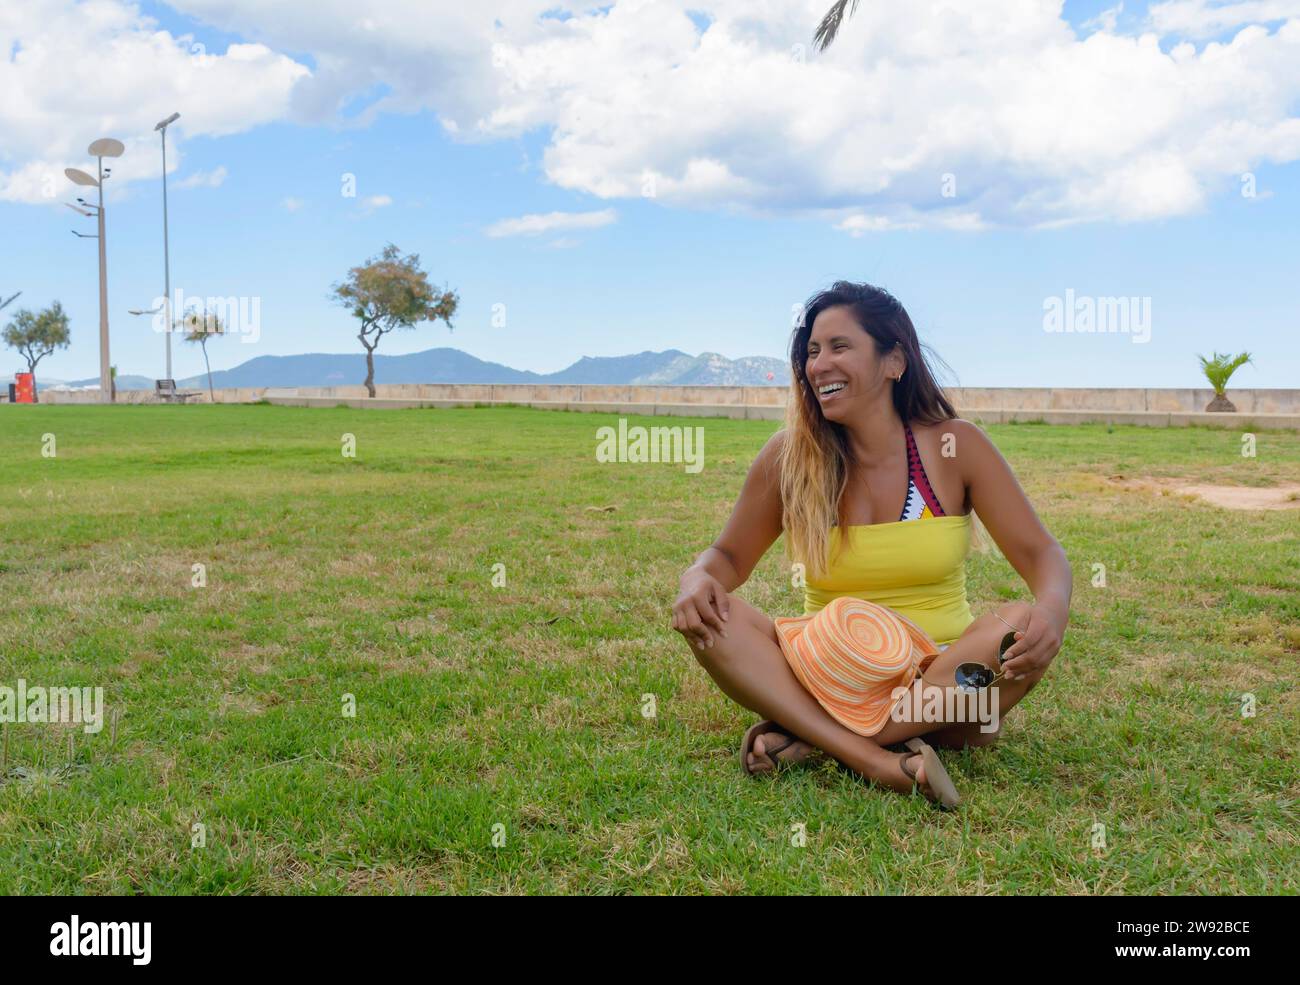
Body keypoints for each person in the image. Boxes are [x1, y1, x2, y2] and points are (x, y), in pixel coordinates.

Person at [670, 281, 1072, 807]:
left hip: (940, 686)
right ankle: (877, 760)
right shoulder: (788, 457)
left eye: (839, 347)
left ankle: (813, 738)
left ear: (894, 361)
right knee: (715, 620)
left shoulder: (955, 446)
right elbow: (728, 557)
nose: (819, 366)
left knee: (1015, 623)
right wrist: (697, 576)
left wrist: (1052, 611)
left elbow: (1043, 554)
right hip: (825, 675)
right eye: (812, 352)